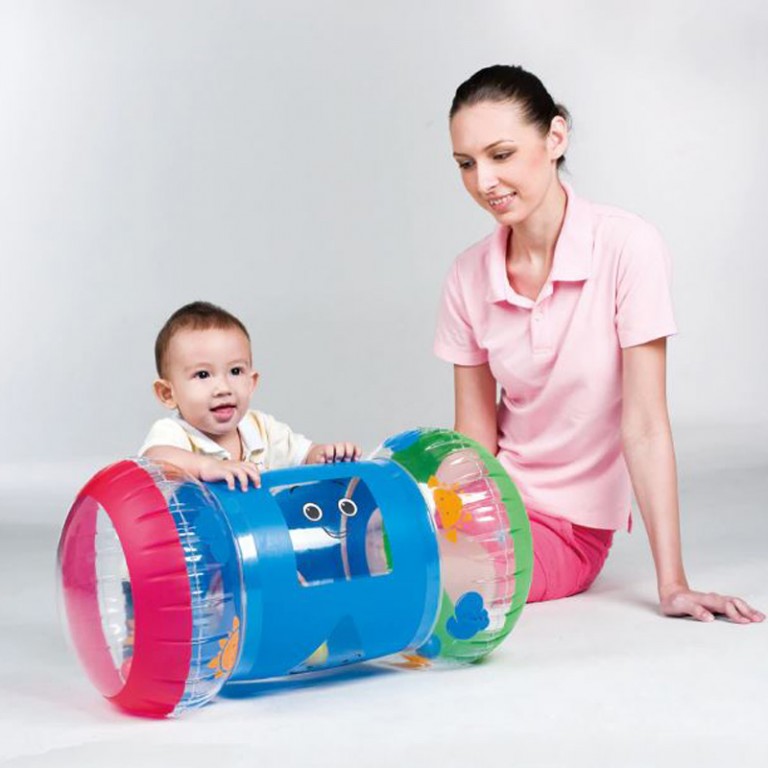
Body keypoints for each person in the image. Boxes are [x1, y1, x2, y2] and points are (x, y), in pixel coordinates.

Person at [434, 64, 763, 623]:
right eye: (466, 164)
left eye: (501, 155)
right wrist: (442, 520)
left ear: (555, 137)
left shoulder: (627, 246)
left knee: (429, 577)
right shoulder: (468, 275)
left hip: (568, 529)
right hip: (492, 503)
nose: (484, 181)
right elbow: (474, 438)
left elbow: (646, 426)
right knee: (372, 535)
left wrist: (674, 584)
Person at [139, 301, 361, 490]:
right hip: (197, 529)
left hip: (262, 528)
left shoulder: (262, 428)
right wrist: (206, 467)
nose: (223, 388)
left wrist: (326, 455)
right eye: (203, 374)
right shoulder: (174, 433)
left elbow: (304, 455)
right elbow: (154, 461)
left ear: (251, 383)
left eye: (235, 371)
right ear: (168, 394)